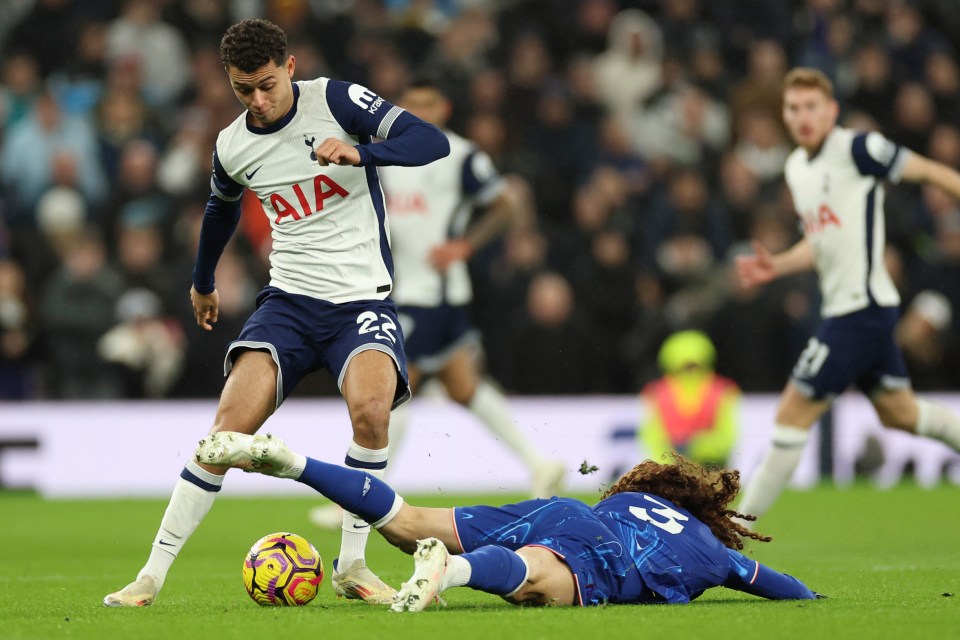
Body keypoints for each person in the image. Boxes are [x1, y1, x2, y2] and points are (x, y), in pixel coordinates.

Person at [103, 18, 450, 607]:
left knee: (371, 413)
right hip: (288, 303)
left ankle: (353, 566)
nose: (258, 101)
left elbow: (430, 141)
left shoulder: (336, 101)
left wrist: (363, 151)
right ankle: (151, 576)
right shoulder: (232, 144)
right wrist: (203, 281)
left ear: (289, 68)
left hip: (360, 300)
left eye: (267, 84)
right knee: (225, 433)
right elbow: (220, 210)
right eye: (244, 89)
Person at [310, 79, 563, 534]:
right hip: (403, 288)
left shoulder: (461, 154)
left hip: (432, 293)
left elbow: (505, 205)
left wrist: (465, 245)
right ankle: (541, 463)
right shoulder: (386, 151)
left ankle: (362, 496)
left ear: (443, 107)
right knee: (464, 386)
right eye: (412, 104)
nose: (420, 111)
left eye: (428, 103)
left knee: (388, 389)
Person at [196, 431, 820, 609]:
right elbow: (769, 580)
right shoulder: (711, 552)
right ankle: (454, 572)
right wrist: (810, 595)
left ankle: (296, 461)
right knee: (533, 577)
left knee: (407, 521)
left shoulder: (633, 498)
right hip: (601, 550)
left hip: (562, 510)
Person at [734, 67, 960, 524]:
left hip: (861, 309)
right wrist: (777, 264)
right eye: (794, 107)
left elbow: (930, 170)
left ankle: (735, 530)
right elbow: (821, 243)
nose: (803, 116)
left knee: (792, 409)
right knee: (900, 414)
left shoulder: (859, 148)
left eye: (812, 106)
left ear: (831, 110)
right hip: (854, 311)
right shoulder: (797, 168)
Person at [639, 330, 739, 469]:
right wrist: (668, 459)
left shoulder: (723, 390)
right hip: (670, 468)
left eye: (694, 366)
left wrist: (697, 448)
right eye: (685, 366)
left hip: (711, 465)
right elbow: (652, 435)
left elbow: (728, 434)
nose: (690, 371)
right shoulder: (656, 392)